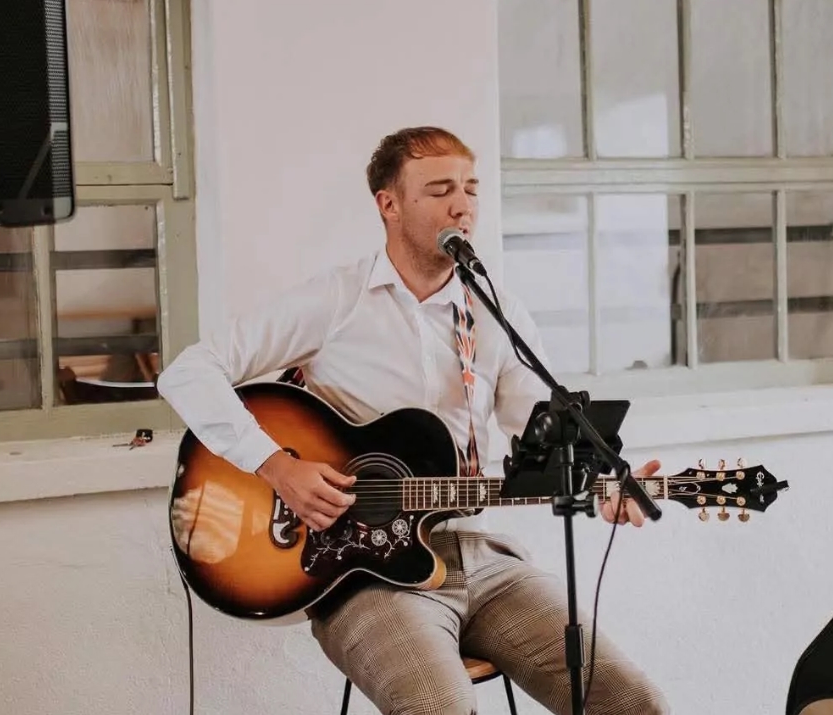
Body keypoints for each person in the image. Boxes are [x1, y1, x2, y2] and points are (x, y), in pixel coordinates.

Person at [156, 126, 670, 715]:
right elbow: (190, 371)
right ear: (389, 204)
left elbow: (539, 422)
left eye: (471, 189)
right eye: (441, 189)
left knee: (633, 702)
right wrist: (276, 467)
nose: (463, 205)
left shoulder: (494, 311)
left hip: (487, 561)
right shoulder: (336, 300)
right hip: (366, 576)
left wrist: (600, 477)